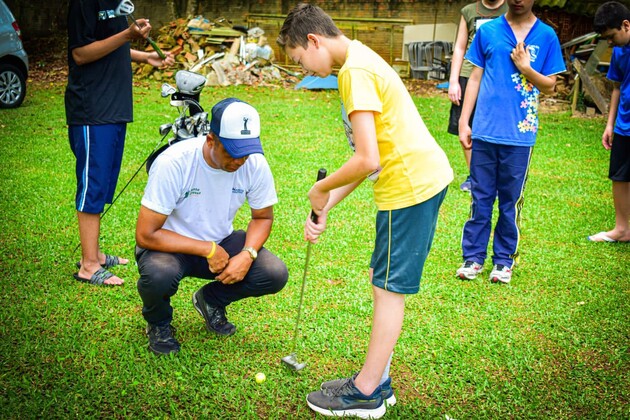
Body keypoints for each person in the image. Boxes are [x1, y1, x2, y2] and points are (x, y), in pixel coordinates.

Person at [277, 4, 453, 418]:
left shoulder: (355, 73)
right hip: (409, 185)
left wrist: (319, 186)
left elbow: (367, 160)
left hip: (409, 189)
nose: (308, 69)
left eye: (301, 59)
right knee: (382, 281)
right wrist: (327, 204)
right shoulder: (358, 59)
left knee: (387, 291)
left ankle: (367, 392)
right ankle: (379, 380)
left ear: (314, 41)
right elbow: (366, 156)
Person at [134, 97, 288, 355]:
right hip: (169, 245)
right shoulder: (174, 162)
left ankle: (210, 300)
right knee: (159, 275)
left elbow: (263, 218)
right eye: (232, 152)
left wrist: (248, 254)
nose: (239, 161)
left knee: (273, 272)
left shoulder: (254, 163)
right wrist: (207, 249)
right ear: (210, 140)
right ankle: (158, 323)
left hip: (221, 242)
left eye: (246, 152)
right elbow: (145, 234)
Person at [456, 0, 566, 284]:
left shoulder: (546, 36)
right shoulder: (487, 30)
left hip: (520, 136)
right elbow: (476, 76)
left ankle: (503, 261)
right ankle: (473, 258)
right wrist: (464, 121)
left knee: (510, 201)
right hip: (484, 130)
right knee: (480, 197)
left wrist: (526, 68)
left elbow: (550, 84)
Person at [66, 0, 174, 286]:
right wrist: (127, 35)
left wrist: (144, 56)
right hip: (92, 108)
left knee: (103, 182)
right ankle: (88, 265)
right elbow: (80, 53)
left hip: (114, 106)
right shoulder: (83, 3)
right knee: (92, 183)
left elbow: (110, 45)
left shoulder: (117, 1)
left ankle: (95, 254)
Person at [448, 0, 508, 192]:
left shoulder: (512, 9)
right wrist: (453, 81)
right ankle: (474, 177)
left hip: (499, 75)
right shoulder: (468, 11)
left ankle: (495, 176)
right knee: (466, 126)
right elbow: (460, 47)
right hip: (469, 74)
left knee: (496, 127)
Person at [588, 1, 630, 243]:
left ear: (626, 25)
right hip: (625, 124)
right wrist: (610, 124)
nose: (610, 42)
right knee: (620, 176)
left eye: (612, 36)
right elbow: (616, 87)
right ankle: (622, 229)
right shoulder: (619, 51)